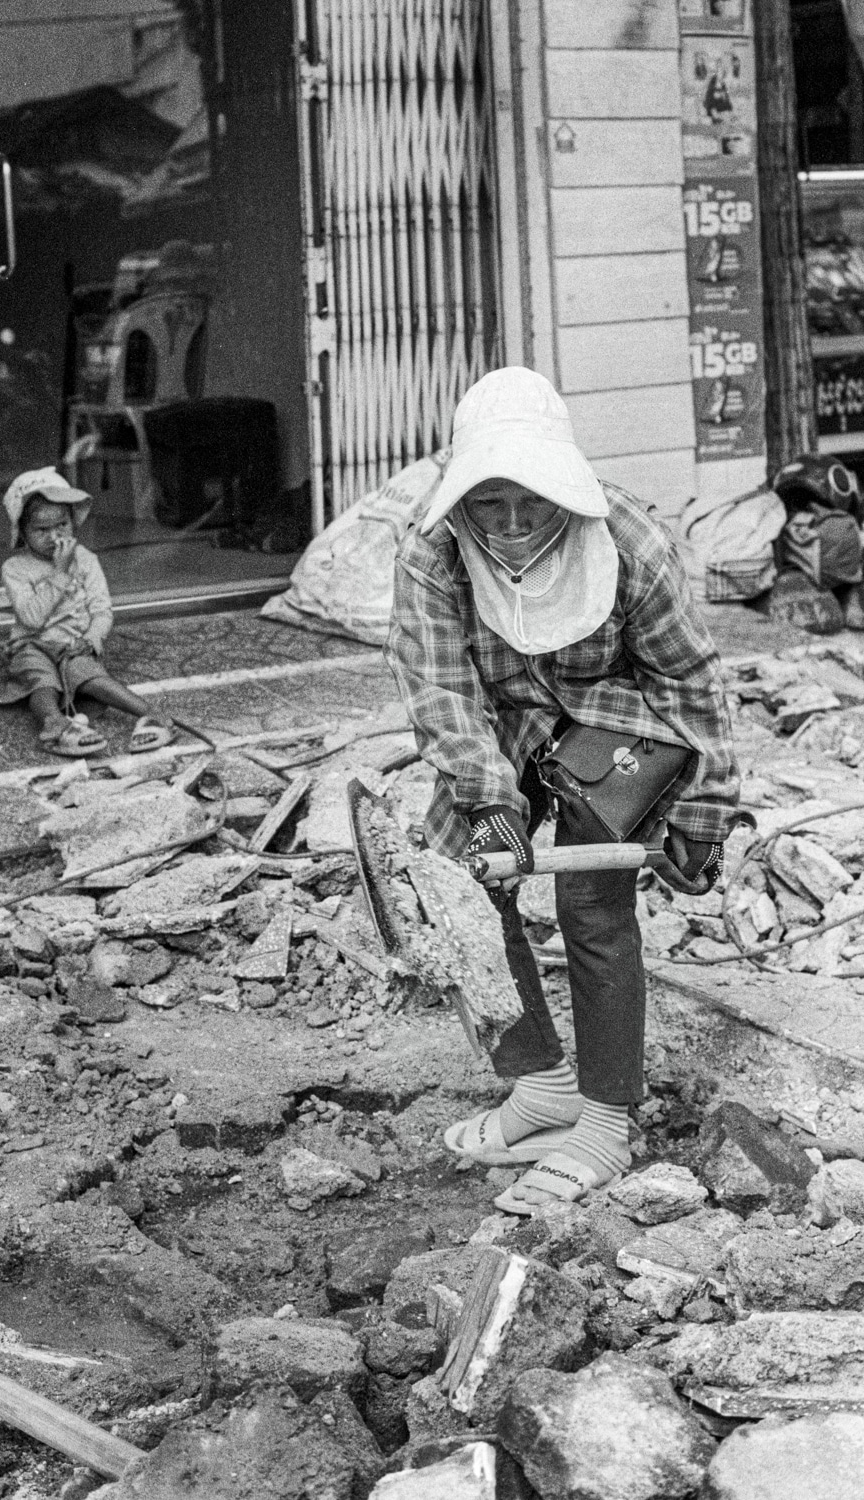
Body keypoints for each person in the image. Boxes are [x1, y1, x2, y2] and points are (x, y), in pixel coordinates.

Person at [385, 367, 746, 1214]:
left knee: (591, 905)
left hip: (618, 723)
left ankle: (603, 1120)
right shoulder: (428, 551)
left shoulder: (631, 543)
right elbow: (441, 693)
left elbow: (693, 683)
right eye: (489, 506)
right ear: (461, 498)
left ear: (564, 493)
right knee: (465, 885)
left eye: (532, 506)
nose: (512, 527)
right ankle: (541, 1081)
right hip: (501, 724)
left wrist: (703, 812)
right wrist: (488, 810)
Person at [0, 467, 176, 757]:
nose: (54, 536)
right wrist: (60, 572)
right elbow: (31, 618)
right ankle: (55, 725)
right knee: (41, 679)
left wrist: (91, 638)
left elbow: (102, 610)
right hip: (32, 644)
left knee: (88, 674)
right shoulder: (15, 569)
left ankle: (151, 714)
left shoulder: (87, 560)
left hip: (74, 644)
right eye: (41, 530)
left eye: (62, 525)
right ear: (22, 534)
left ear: (73, 523)